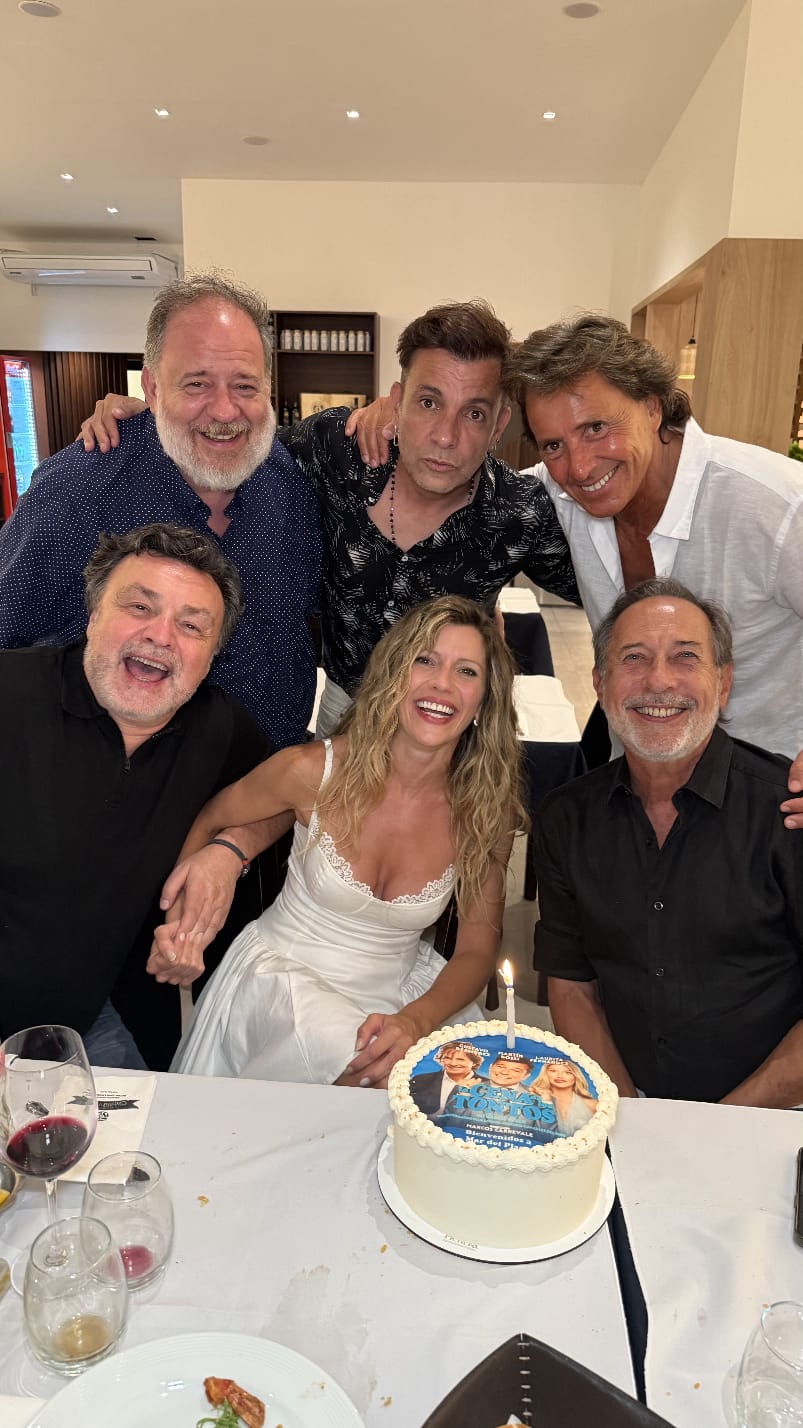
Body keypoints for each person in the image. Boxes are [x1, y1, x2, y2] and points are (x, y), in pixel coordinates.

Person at [77, 299, 580, 736]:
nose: (446, 436)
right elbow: (232, 447)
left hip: (452, 721)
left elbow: (608, 589)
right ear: (397, 400)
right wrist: (153, 415)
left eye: (473, 413)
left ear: (499, 424)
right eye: (429, 402)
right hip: (341, 713)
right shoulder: (336, 450)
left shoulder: (520, 511)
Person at [166, 596, 527, 1087]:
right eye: (425, 660)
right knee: (379, 1072)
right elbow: (210, 819)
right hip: (283, 983)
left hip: (402, 998)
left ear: (485, 700)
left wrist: (418, 1020)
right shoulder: (310, 769)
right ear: (393, 674)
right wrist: (180, 925)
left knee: (467, 1102)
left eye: (466, 672)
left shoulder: (486, 811)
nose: (441, 684)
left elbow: (477, 951)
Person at [0, 273, 321, 751]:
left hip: (263, 791)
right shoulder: (77, 491)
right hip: (116, 799)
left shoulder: (291, 484)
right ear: (150, 388)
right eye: (196, 384)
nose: (225, 410)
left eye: (245, 386)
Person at [0, 524, 279, 1069]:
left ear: (211, 656)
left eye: (192, 626)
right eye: (139, 607)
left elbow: (291, 795)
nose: (161, 636)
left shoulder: (219, 729)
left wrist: (228, 854)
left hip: (94, 1024)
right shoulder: (9, 696)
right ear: (92, 616)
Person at [533, 578, 803, 1108]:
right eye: (633, 658)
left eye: (685, 658)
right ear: (600, 683)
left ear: (722, 684)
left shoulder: (787, 813)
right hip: (625, 1105)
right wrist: (628, 1114)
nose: (658, 681)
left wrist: (717, 1125)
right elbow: (571, 984)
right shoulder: (566, 818)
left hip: (773, 1114)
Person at [506, 314, 803, 777]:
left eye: (596, 427)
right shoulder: (559, 493)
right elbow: (463, 496)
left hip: (768, 802)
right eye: (553, 445)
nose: (580, 467)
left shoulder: (776, 503)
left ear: (651, 407)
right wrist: (386, 426)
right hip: (639, 786)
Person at [410, 1040, 484, 1116]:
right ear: (441, 1059)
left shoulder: (487, 1084)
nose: (453, 1063)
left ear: (474, 1062)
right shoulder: (421, 1080)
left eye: (460, 1059)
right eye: (447, 1058)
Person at [530, 1060, 597, 1136]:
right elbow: (540, 1135)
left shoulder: (592, 1104)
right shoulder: (534, 1100)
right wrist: (546, 1100)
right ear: (546, 1074)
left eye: (568, 1072)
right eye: (553, 1071)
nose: (560, 1076)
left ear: (576, 1076)